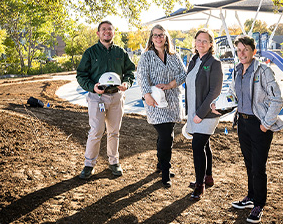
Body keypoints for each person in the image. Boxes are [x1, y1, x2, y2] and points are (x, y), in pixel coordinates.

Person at [228, 35, 283, 223]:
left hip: (259, 124)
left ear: (254, 51)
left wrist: (265, 124)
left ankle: (259, 204)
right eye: (239, 50)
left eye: (245, 49)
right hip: (242, 124)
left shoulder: (264, 71)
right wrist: (222, 105)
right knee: (249, 164)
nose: (242, 53)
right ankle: (251, 197)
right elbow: (232, 95)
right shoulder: (237, 70)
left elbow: (277, 99)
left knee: (258, 167)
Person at [76, 20, 135, 179]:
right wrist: (91, 87)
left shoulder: (120, 52)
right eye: (103, 29)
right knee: (96, 131)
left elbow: (130, 72)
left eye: (110, 29)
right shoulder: (90, 53)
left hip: (116, 97)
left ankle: (114, 162)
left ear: (113, 32)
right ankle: (89, 164)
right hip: (97, 97)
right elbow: (81, 75)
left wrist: (126, 83)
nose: (107, 32)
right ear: (98, 33)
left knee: (114, 132)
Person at [136, 24, 187, 188]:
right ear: (151, 38)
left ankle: (160, 163)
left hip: (172, 101)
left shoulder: (174, 56)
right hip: (155, 101)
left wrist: (172, 84)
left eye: (161, 35)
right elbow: (142, 77)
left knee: (166, 135)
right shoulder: (146, 56)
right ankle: (166, 170)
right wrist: (146, 96)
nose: (158, 38)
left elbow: (183, 74)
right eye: (155, 35)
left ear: (166, 37)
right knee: (166, 137)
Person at [185, 28, 223, 200]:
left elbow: (215, 91)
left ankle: (199, 185)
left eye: (205, 41)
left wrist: (201, 113)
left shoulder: (214, 63)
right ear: (195, 42)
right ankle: (208, 177)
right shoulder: (193, 60)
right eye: (198, 40)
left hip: (206, 114)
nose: (201, 43)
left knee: (197, 146)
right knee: (205, 145)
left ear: (211, 44)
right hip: (194, 111)